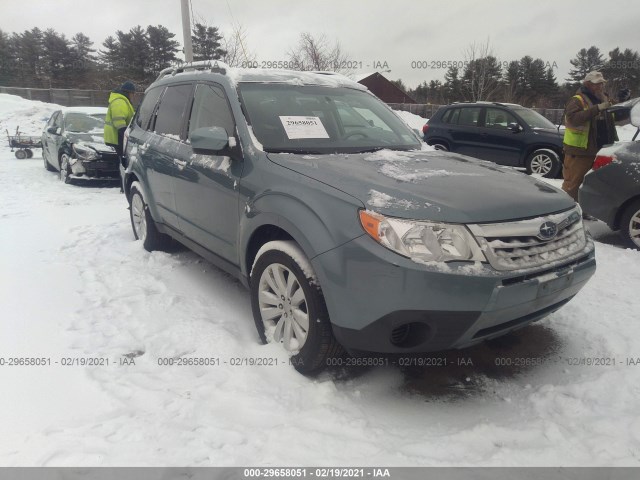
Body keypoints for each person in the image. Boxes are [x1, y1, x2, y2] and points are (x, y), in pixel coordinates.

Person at [561, 71, 618, 207]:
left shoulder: (604, 98)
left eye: (601, 84)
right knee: (573, 184)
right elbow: (574, 119)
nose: (600, 87)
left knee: (592, 184)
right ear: (587, 84)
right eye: (596, 84)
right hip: (580, 151)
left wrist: (621, 104)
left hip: (602, 149)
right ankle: (564, 210)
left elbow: (614, 119)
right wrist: (597, 108)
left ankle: (585, 209)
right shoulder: (577, 100)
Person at [104, 80, 136, 190]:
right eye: (133, 93)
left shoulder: (122, 100)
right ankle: (124, 186)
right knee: (123, 162)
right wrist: (126, 135)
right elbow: (119, 121)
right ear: (128, 92)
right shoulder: (119, 101)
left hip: (117, 136)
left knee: (123, 161)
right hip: (117, 137)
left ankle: (124, 185)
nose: (133, 96)